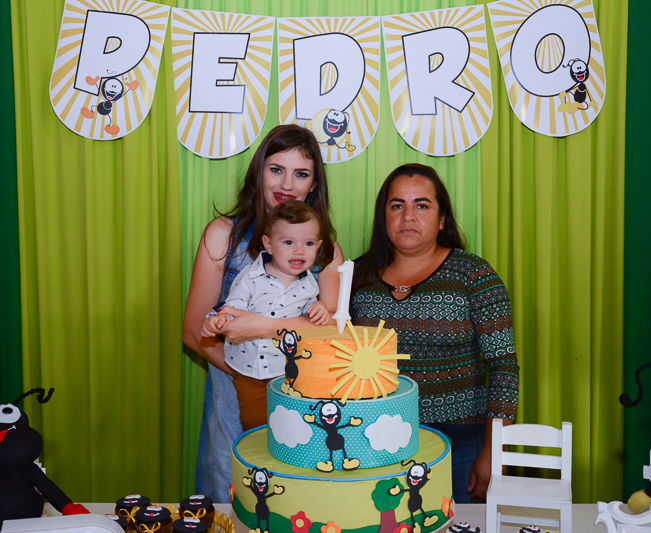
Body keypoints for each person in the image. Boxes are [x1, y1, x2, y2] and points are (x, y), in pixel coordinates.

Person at [183, 124, 344, 503]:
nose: (287, 183)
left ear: (313, 184)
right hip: (233, 394)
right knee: (231, 499)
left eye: (301, 174)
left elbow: (334, 332)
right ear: (259, 172)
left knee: (294, 504)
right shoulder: (223, 235)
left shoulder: (325, 250)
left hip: (299, 397)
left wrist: (260, 327)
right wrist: (249, 378)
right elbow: (194, 331)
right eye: (276, 169)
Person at [349, 163, 519, 503]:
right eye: (397, 205)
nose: (408, 216)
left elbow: (503, 369)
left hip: (461, 443)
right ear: (384, 217)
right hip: (374, 439)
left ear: (442, 219)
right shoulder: (356, 276)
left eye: (422, 205)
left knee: (459, 523)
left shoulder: (473, 274)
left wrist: (494, 452)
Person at [200, 200, 332, 430]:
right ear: (268, 245)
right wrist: (218, 320)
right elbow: (232, 308)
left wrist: (319, 309)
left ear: (318, 246)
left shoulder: (310, 284)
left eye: (309, 243)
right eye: (288, 242)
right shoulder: (250, 277)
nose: (299, 250)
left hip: (288, 370)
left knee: (290, 422)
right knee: (254, 423)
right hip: (249, 371)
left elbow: (309, 318)